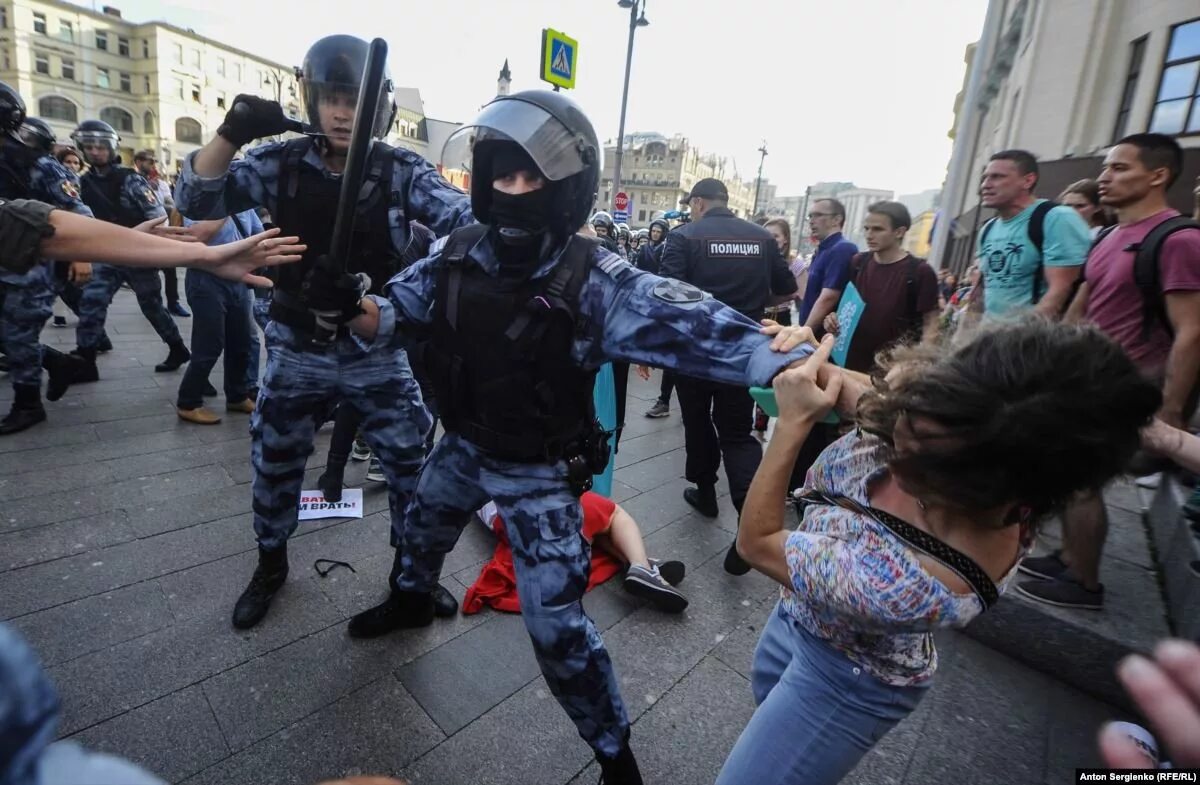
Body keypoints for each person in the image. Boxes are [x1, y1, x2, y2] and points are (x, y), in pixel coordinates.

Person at [336, 89, 817, 783]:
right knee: (419, 530)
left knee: (558, 628)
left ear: (567, 188)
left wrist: (797, 358)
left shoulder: (599, 280)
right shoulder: (455, 251)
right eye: (505, 174)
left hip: (537, 476)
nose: (516, 191)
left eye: (534, 178)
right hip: (463, 444)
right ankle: (412, 598)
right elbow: (389, 315)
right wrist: (346, 302)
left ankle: (614, 751)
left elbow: (706, 328)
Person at [721, 319, 1161, 785]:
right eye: (904, 416)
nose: (894, 439)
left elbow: (758, 543)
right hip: (799, 614)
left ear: (992, 486)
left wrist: (790, 424)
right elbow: (865, 393)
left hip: (845, 678)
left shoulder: (912, 586)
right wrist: (814, 361)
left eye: (923, 456)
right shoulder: (950, 417)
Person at [174, 34, 472, 630]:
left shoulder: (399, 169)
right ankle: (271, 563)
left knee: (412, 463)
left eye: (356, 100)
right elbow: (194, 197)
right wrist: (230, 135)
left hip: (373, 347)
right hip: (296, 347)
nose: (343, 112)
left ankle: (411, 575)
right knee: (277, 460)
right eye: (333, 97)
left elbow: (464, 222)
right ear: (311, 100)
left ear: (378, 107)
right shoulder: (278, 162)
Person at [1019, 133, 1200, 610]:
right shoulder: (1107, 236)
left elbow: (1192, 332)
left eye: (1120, 168)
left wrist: (1173, 411)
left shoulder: (1177, 239)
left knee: (1080, 479)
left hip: (1131, 388)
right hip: (1087, 382)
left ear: (1158, 175)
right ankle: (1069, 556)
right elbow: (1082, 307)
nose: (1105, 176)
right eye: (1105, 167)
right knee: (1070, 476)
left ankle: (1084, 583)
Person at [659, 177, 800, 572]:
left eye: (691, 204)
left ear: (700, 203)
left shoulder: (684, 237)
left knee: (697, 421)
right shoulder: (761, 238)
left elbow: (669, 295)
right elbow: (785, 289)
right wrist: (753, 300)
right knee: (737, 433)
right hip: (743, 345)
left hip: (694, 348)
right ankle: (747, 526)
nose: (690, 210)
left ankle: (705, 490)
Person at [0, 97, 98, 434]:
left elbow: (78, 210)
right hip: (7, 259)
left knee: (17, 334)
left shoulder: (38, 163)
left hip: (33, 266)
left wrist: (81, 254)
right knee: (10, 336)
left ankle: (28, 404)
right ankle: (59, 362)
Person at [72, 119, 192, 377]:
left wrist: (150, 249)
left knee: (152, 307)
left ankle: (177, 347)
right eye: (89, 146)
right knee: (92, 303)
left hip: (137, 254)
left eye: (100, 146)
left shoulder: (131, 180)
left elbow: (157, 215)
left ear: (111, 148)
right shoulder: (83, 182)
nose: (94, 151)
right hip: (105, 254)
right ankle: (85, 360)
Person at [466, 491, 688, 615]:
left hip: (509, 526)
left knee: (592, 526)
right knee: (614, 515)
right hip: (544, 507)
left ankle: (634, 564)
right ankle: (641, 566)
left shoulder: (465, 468)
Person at [822, 201, 940, 374]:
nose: (869, 235)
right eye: (867, 228)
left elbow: (931, 325)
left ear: (899, 232)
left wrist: (920, 365)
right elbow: (845, 307)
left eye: (878, 229)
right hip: (847, 364)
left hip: (890, 370)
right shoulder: (858, 263)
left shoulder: (920, 272)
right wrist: (832, 319)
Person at [976, 149, 1091, 319]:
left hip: (1032, 339)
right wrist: (964, 333)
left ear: (1028, 180)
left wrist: (1022, 337)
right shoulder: (989, 228)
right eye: (985, 177)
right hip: (989, 338)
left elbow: (1061, 290)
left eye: (997, 177)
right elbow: (982, 288)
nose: (986, 184)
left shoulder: (1056, 218)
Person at [174, 210, 263, 425]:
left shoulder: (246, 207)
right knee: (209, 345)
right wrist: (225, 208)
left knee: (241, 342)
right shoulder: (200, 202)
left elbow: (258, 234)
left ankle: (237, 395)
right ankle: (188, 402)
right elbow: (197, 236)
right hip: (207, 279)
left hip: (238, 278)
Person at [135, 148, 190, 318]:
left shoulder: (162, 184)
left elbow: (169, 203)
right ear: (138, 162)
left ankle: (173, 303)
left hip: (163, 233)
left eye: (154, 162)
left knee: (170, 272)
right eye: (149, 161)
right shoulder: (131, 181)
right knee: (147, 275)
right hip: (141, 234)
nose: (153, 165)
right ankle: (155, 306)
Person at [799, 198, 857, 335]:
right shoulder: (822, 249)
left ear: (836, 219)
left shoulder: (842, 249)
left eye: (818, 215)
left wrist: (804, 333)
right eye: (810, 216)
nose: (812, 221)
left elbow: (829, 297)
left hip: (822, 338)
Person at [638, 217, 675, 419]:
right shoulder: (645, 249)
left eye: (658, 231)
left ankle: (666, 400)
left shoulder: (666, 249)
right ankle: (664, 400)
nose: (654, 233)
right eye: (653, 230)